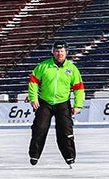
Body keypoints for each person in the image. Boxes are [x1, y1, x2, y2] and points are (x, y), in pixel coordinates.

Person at [28, 40, 84, 168]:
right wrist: (33, 98)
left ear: (66, 52)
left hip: (63, 103)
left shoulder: (72, 69)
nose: (59, 54)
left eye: (62, 51)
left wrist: (78, 104)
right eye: (57, 51)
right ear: (53, 52)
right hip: (44, 102)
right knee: (39, 128)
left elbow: (79, 88)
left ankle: (69, 157)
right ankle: (34, 155)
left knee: (65, 131)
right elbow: (33, 82)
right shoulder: (43, 66)